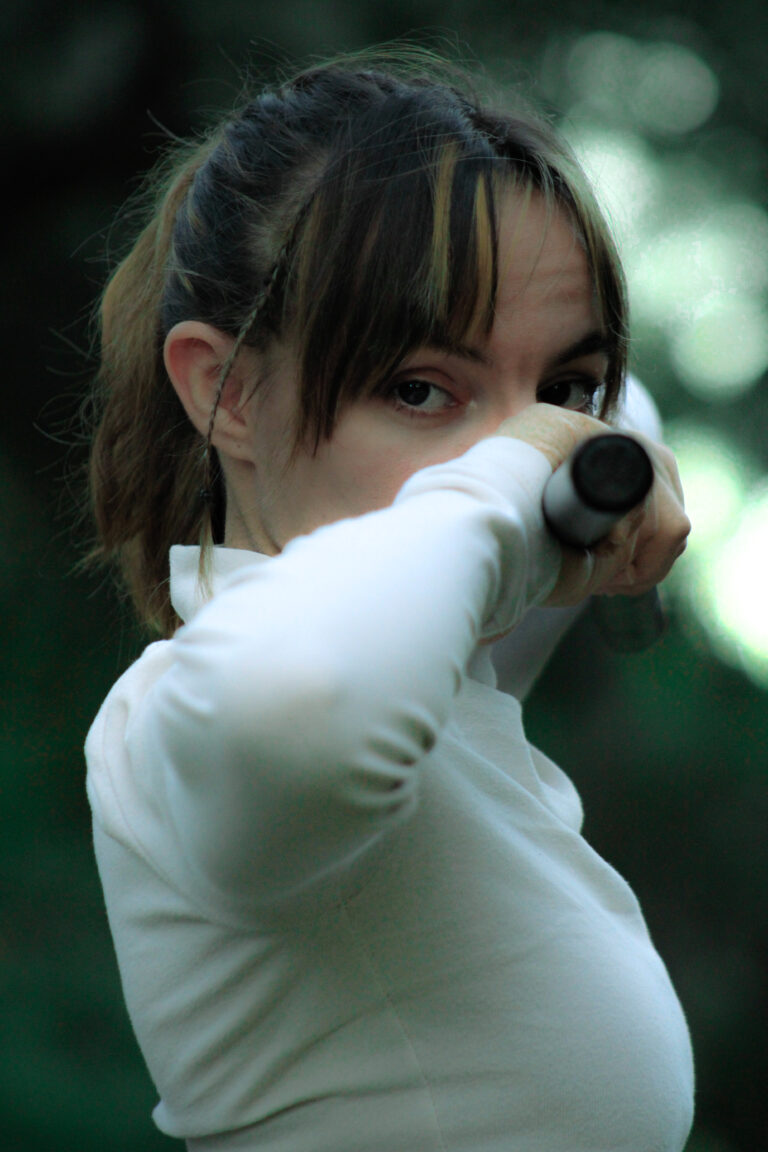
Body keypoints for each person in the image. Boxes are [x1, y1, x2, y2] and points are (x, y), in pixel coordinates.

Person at [84, 52, 694, 1152]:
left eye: (562, 390)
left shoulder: (444, 647)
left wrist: (611, 446)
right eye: (419, 389)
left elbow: (621, 415)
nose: (528, 455)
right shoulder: (185, 710)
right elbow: (317, 692)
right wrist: (536, 456)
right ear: (226, 389)